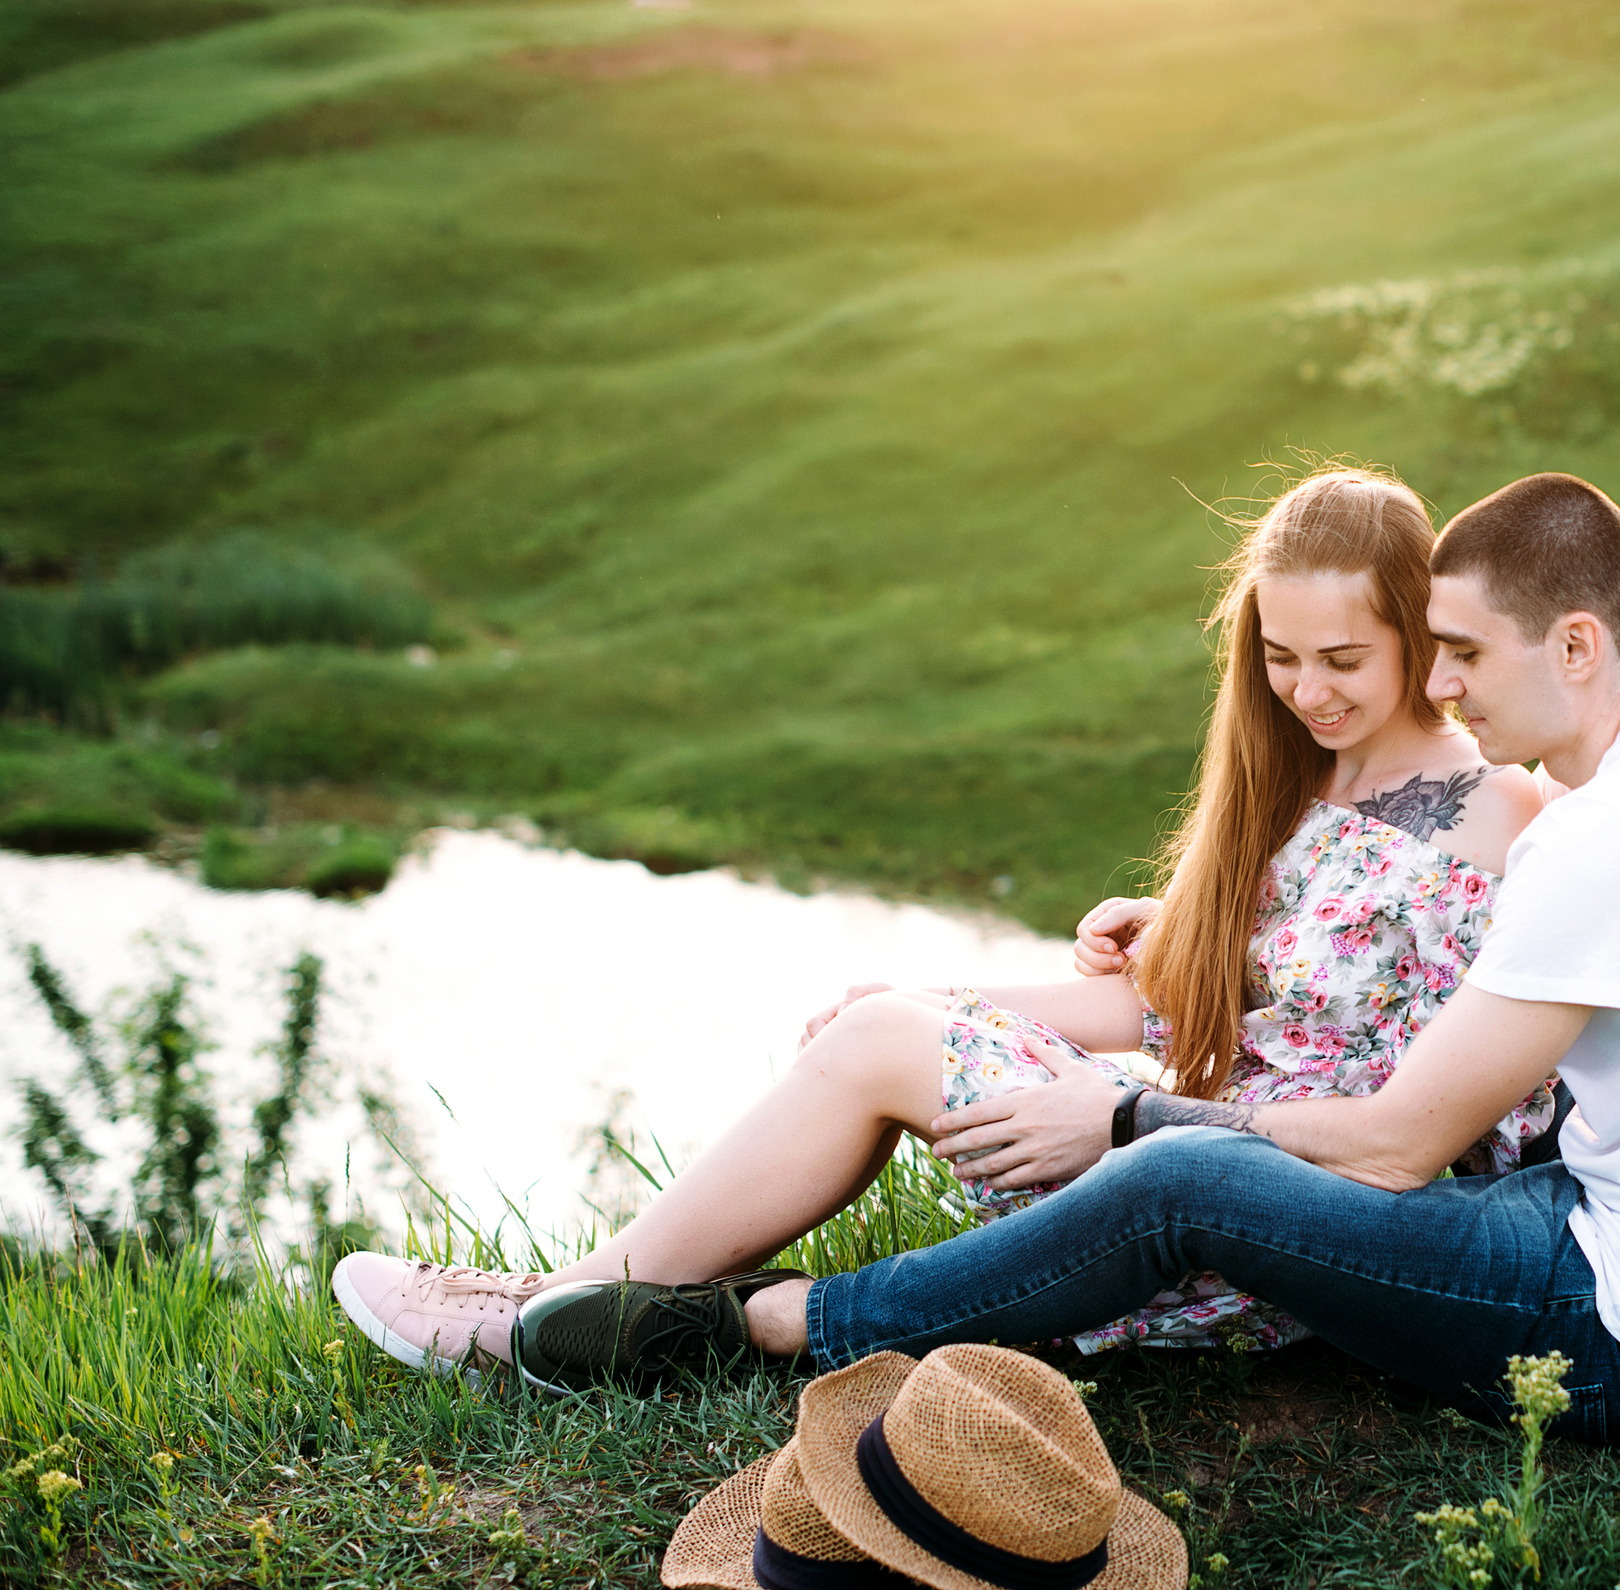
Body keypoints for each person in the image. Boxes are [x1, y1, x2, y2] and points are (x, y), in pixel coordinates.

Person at [477, 471, 1620, 1442]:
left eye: (1459, 653)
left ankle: (762, 1324)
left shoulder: (1593, 834)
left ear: (1577, 643)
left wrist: (1137, 1102)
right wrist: (1197, 971)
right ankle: (622, 1298)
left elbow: (1404, 1144)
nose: (1445, 684)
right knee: (1169, 1151)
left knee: (1179, 1170)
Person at [329, 465, 1555, 1386]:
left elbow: (1482, 1120)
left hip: (1280, 1221)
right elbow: (1151, 1008)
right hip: (1155, 1159)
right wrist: (928, 1000)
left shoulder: (1495, 810)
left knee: (891, 1044)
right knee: (878, 1032)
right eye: (1281, 659)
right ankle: (570, 1302)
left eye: (1344, 657)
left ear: (1419, 633)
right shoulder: (1287, 787)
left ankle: (532, 1320)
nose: (1308, 691)